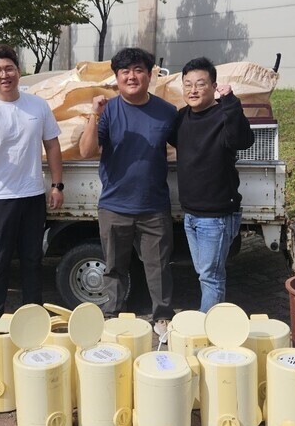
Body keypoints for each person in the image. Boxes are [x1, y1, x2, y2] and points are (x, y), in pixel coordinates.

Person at [78, 47, 177, 333]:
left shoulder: (167, 112)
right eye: (125, 72)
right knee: (114, 267)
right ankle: (112, 316)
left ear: (148, 75)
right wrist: (93, 115)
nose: (132, 76)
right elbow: (86, 151)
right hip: (114, 205)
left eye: (138, 70)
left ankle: (162, 318)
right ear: (117, 77)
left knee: (158, 266)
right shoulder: (108, 111)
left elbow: (188, 145)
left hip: (154, 204)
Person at [0, 44, 64, 320]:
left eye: (9, 68)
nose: (4, 74)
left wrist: (57, 185)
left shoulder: (37, 105)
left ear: (18, 72)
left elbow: (53, 146)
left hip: (32, 195)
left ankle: (34, 316)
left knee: (33, 259)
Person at [169, 57, 254, 312]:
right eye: (187, 85)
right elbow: (176, 142)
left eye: (200, 84)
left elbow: (243, 139)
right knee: (205, 274)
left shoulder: (223, 114)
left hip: (216, 216)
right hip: (191, 213)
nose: (193, 90)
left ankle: (208, 334)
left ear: (213, 86)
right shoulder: (182, 117)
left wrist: (230, 101)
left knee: (211, 278)